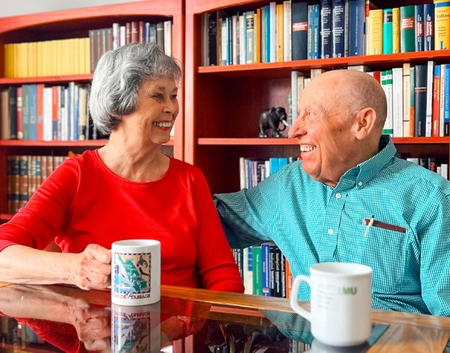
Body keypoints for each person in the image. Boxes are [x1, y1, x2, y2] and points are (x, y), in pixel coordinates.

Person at [0, 42, 244, 294]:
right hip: (92, 327)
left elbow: (222, 274)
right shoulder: (77, 174)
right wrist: (74, 268)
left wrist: (213, 329)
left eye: (173, 95)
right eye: (158, 96)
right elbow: (3, 253)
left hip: (176, 330)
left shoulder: (190, 179)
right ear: (119, 105)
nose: (172, 108)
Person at [214, 69, 450, 316]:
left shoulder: (434, 201)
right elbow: (203, 222)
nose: (294, 130)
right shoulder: (288, 185)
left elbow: (446, 327)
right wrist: (170, 166)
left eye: (311, 114)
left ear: (362, 123)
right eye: (298, 115)